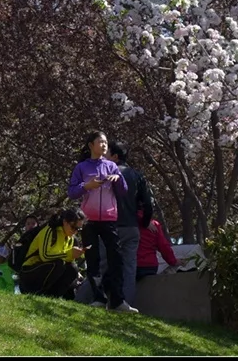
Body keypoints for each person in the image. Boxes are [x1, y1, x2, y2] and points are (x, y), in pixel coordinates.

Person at [67, 131, 137, 313]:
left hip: (109, 219)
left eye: (106, 142)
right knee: (93, 260)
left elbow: (123, 191)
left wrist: (118, 179)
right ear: (91, 145)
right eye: (100, 142)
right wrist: (87, 186)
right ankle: (98, 299)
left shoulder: (112, 166)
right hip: (88, 220)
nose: (104, 145)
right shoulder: (81, 167)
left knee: (116, 259)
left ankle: (118, 301)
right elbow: (72, 192)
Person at [104, 140, 155, 305]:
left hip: (110, 226)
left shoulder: (106, 174)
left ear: (115, 156)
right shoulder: (137, 176)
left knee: (101, 265)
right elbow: (148, 204)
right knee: (129, 269)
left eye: (107, 153)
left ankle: (86, 299)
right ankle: (126, 303)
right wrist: (144, 222)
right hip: (131, 228)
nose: (104, 155)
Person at [20, 208, 87, 298]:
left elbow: (68, 260)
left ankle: (52, 296)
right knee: (58, 263)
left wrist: (75, 261)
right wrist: (69, 254)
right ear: (65, 222)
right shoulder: (50, 230)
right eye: (73, 227)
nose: (75, 231)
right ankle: (39, 292)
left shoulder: (70, 238)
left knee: (72, 269)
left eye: (78, 229)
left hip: (47, 271)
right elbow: (45, 256)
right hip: (29, 273)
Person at [136, 213, 179, 281]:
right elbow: (163, 246)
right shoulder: (154, 225)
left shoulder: (126, 224)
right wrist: (173, 261)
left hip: (130, 265)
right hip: (149, 265)